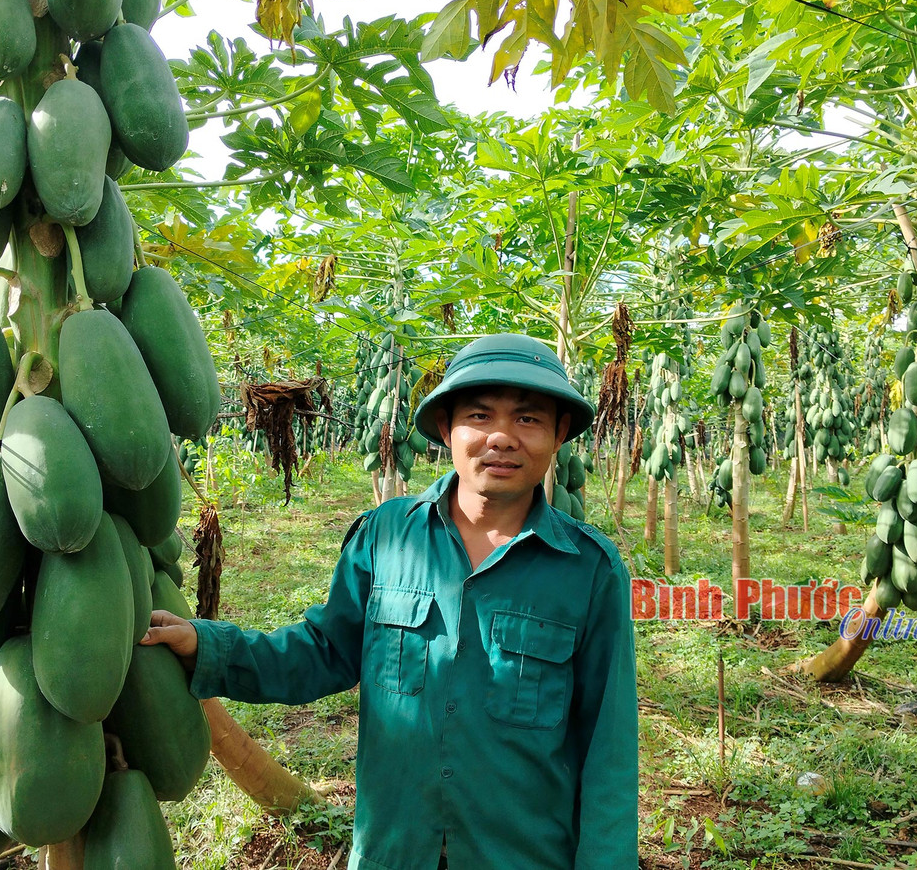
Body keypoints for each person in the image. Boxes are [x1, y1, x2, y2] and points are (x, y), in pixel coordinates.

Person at [142, 333, 638, 870]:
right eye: (479, 415)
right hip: (394, 851)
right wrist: (208, 647)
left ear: (559, 434)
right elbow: (325, 651)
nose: (501, 437)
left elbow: (608, 745)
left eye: (528, 419)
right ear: (446, 428)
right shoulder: (386, 536)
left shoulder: (589, 569)